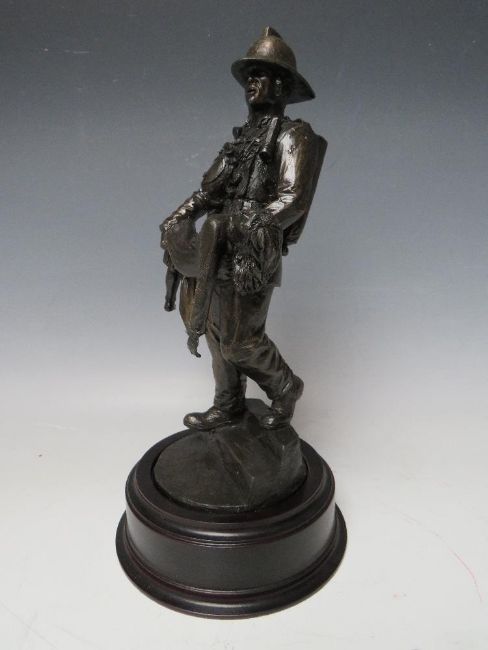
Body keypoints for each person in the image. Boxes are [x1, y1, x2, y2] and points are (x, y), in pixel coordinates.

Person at [160, 27, 326, 430]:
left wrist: (249, 227)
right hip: (216, 246)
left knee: (241, 341)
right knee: (217, 335)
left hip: (252, 251)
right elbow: (209, 193)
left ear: (281, 85)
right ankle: (228, 403)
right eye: (248, 75)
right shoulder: (240, 142)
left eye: (260, 74)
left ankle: (286, 387)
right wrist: (179, 216)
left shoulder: (293, 136)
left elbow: (293, 198)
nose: (251, 82)